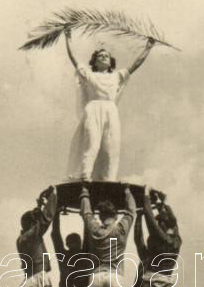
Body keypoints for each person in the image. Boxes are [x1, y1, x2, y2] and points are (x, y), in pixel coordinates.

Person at [65, 29, 154, 181]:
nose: (104, 57)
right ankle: (85, 175)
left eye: (106, 56)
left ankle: (108, 178)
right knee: (92, 143)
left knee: (110, 147)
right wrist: (68, 38)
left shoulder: (116, 76)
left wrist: (148, 47)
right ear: (95, 61)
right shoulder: (89, 75)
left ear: (110, 62)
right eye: (100, 56)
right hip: (93, 109)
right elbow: (74, 59)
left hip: (110, 110)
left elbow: (136, 64)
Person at [80, 183, 136, 287]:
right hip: (114, 276)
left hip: (96, 275)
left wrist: (85, 192)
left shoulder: (94, 229)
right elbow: (131, 211)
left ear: (100, 215)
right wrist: (127, 191)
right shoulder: (121, 229)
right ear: (116, 215)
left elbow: (86, 213)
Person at [9, 186, 58, 287]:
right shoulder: (33, 235)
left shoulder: (21, 239)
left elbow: (36, 219)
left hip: (27, 282)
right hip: (39, 280)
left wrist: (39, 205)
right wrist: (54, 196)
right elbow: (45, 219)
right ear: (32, 225)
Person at [134, 188, 182, 287]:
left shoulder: (158, 237)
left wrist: (146, 196)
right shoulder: (177, 240)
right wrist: (164, 203)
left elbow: (150, 218)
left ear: (161, 224)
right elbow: (173, 222)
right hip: (167, 282)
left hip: (152, 280)